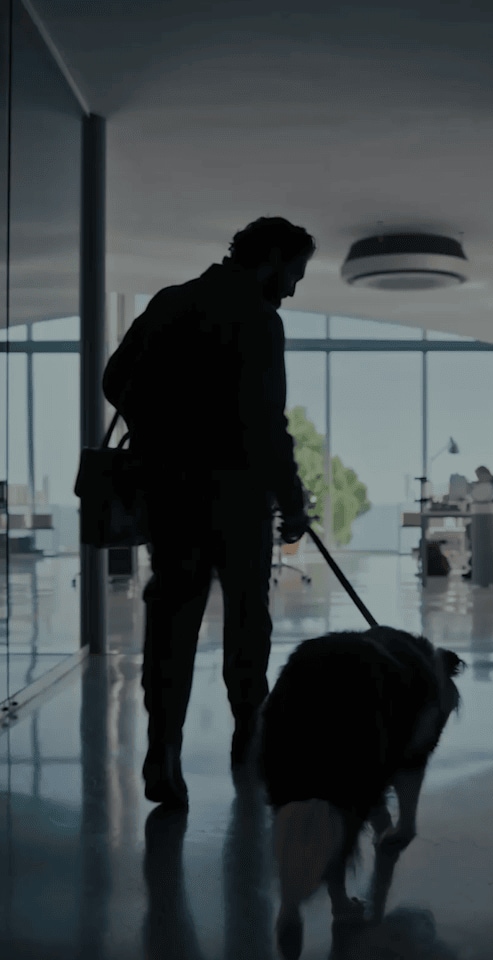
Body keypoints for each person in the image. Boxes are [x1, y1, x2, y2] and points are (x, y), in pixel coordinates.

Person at [102, 216, 315, 808]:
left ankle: (162, 748)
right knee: (247, 617)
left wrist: (162, 425)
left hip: (170, 492)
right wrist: (293, 501)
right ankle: (249, 728)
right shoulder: (259, 319)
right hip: (239, 499)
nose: (293, 288)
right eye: (293, 274)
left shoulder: (172, 303)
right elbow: (269, 423)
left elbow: (114, 379)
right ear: (270, 258)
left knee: (172, 617)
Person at [461, 466, 493, 579]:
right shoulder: (483, 486)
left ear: (486, 474)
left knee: (481, 533)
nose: (478, 479)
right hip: (486, 518)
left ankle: (481, 566)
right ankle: (475, 565)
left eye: (479, 476)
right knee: (471, 529)